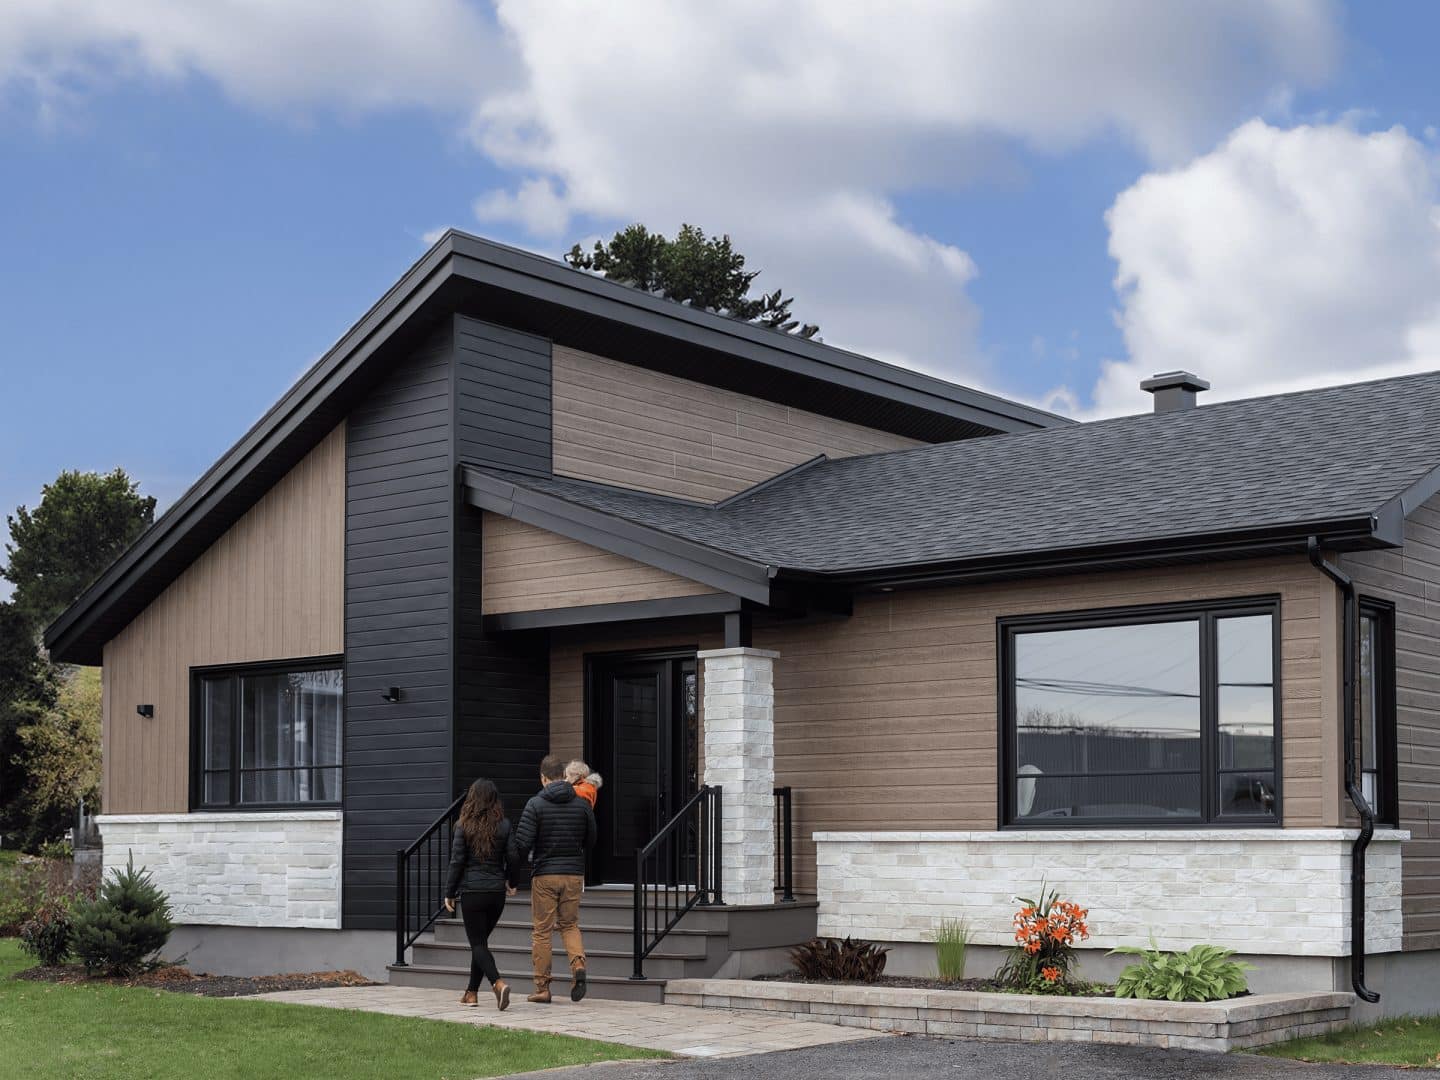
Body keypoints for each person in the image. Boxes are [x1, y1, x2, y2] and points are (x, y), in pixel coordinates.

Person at [511, 754, 596, 1003]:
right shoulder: (581, 804)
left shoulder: (535, 804)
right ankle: (578, 965)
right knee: (569, 925)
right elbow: (591, 840)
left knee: (542, 931)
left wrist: (513, 873)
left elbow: (522, 843)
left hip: (545, 875)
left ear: (543, 778)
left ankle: (542, 988)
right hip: (573, 874)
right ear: (563, 775)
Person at [442, 778, 516, 1010]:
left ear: (472, 798)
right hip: (496, 893)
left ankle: (498, 983)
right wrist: (512, 881)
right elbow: (513, 856)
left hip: (473, 892)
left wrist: (449, 892)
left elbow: (457, 862)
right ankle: (471, 994)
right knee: (480, 944)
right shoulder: (504, 825)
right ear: (494, 800)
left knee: (477, 944)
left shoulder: (463, 826)